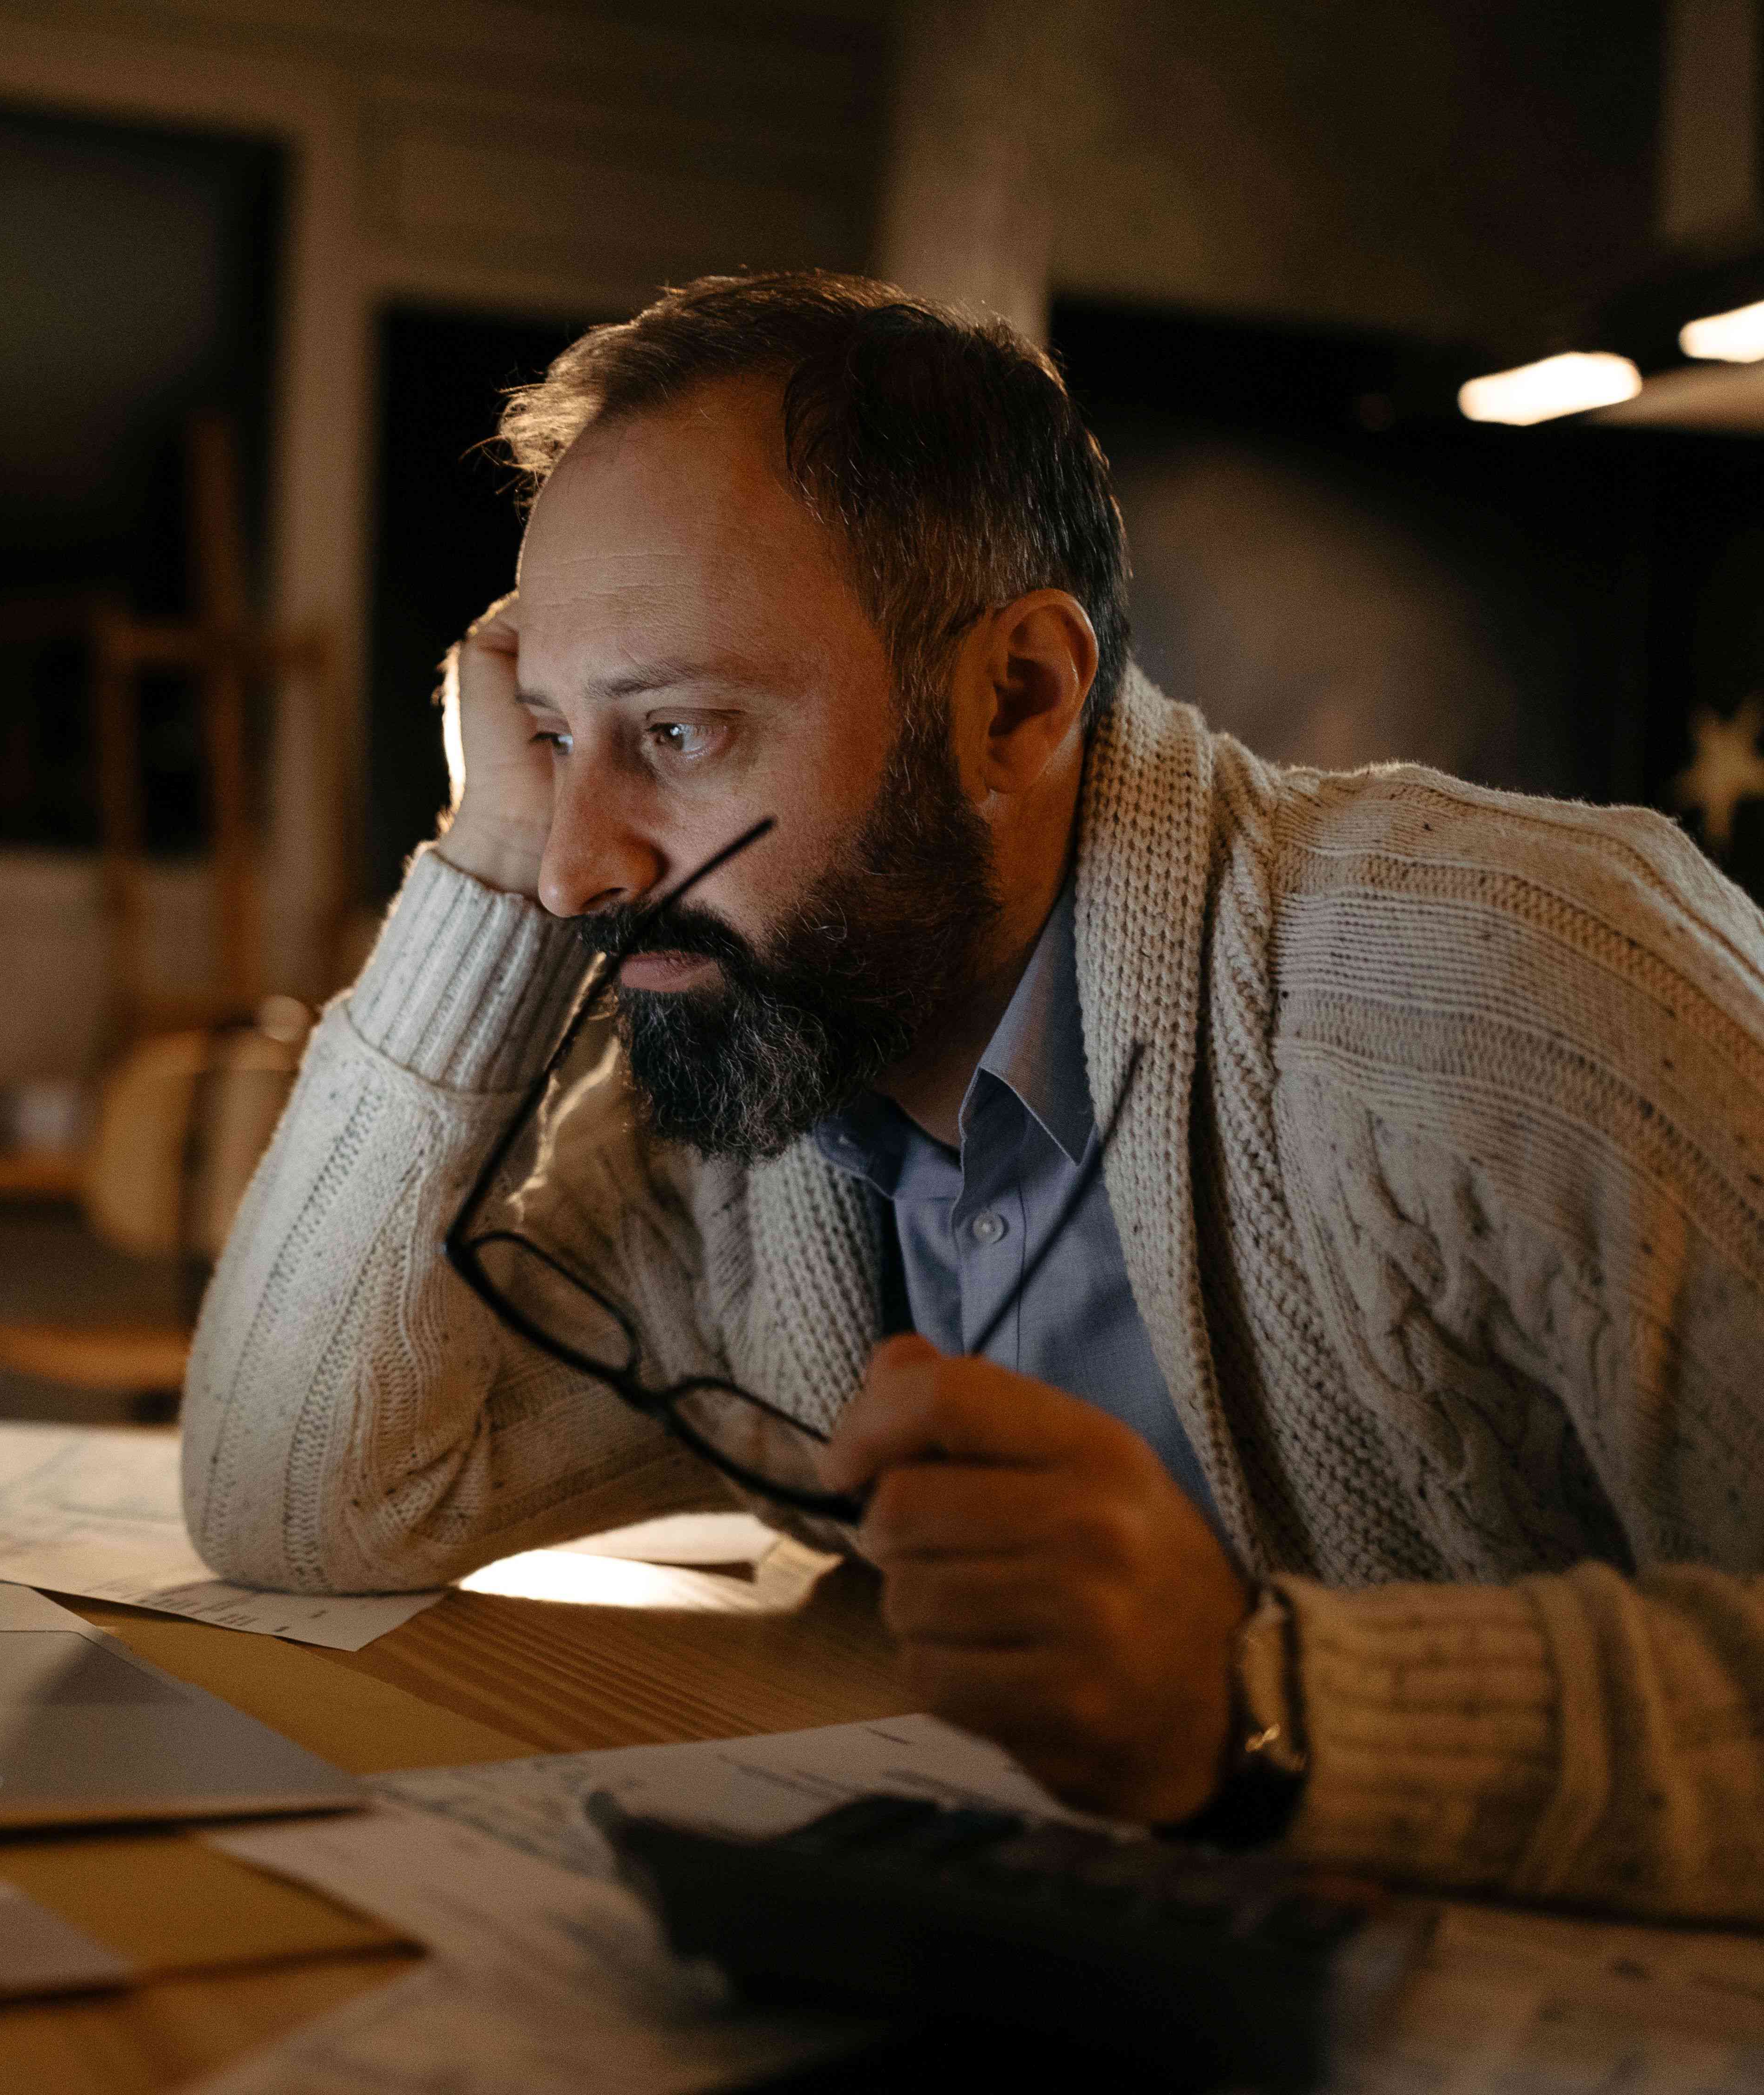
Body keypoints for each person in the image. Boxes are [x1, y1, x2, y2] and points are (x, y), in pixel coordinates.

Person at [180, 270, 1764, 1922]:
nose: (584, 868)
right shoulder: (742, 1103)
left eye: (682, 730)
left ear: (1016, 698)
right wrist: (486, 869)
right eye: (550, 736)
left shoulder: (1532, 988)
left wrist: (1262, 1709)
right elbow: (301, 1497)